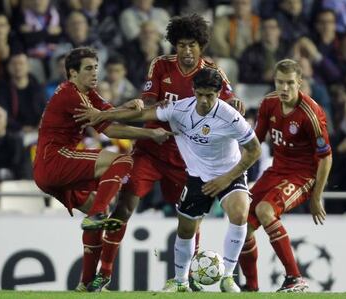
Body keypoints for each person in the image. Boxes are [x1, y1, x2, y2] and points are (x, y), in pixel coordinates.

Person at [72, 13, 244, 292]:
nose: (186, 51)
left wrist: (235, 102)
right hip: (151, 150)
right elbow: (150, 101)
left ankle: (185, 278)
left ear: (201, 45)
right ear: (174, 45)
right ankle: (104, 273)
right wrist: (140, 103)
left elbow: (228, 106)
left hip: (187, 158)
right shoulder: (161, 65)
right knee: (125, 205)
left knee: (189, 218)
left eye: (192, 45)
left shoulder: (212, 74)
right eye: (181, 45)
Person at [32, 47, 173, 291]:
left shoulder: (86, 93)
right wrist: (150, 133)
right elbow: (110, 129)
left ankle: (86, 284)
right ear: (72, 74)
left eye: (96, 68)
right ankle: (97, 212)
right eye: (88, 69)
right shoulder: (71, 95)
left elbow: (108, 113)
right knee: (124, 160)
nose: (95, 73)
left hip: (50, 168)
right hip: (54, 160)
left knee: (97, 221)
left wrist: (129, 106)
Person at [238, 59, 332, 292]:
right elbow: (255, 142)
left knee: (264, 210)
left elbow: (326, 157)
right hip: (277, 171)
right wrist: (234, 173)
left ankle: (295, 278)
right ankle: (251, 288)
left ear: (299, 82)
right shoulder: (268, 103)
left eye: (290, 83)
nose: (284, 88)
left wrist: (316, 196)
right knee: (241, 222)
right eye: (280, 82)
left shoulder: (311, 114)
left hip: (303, 175)